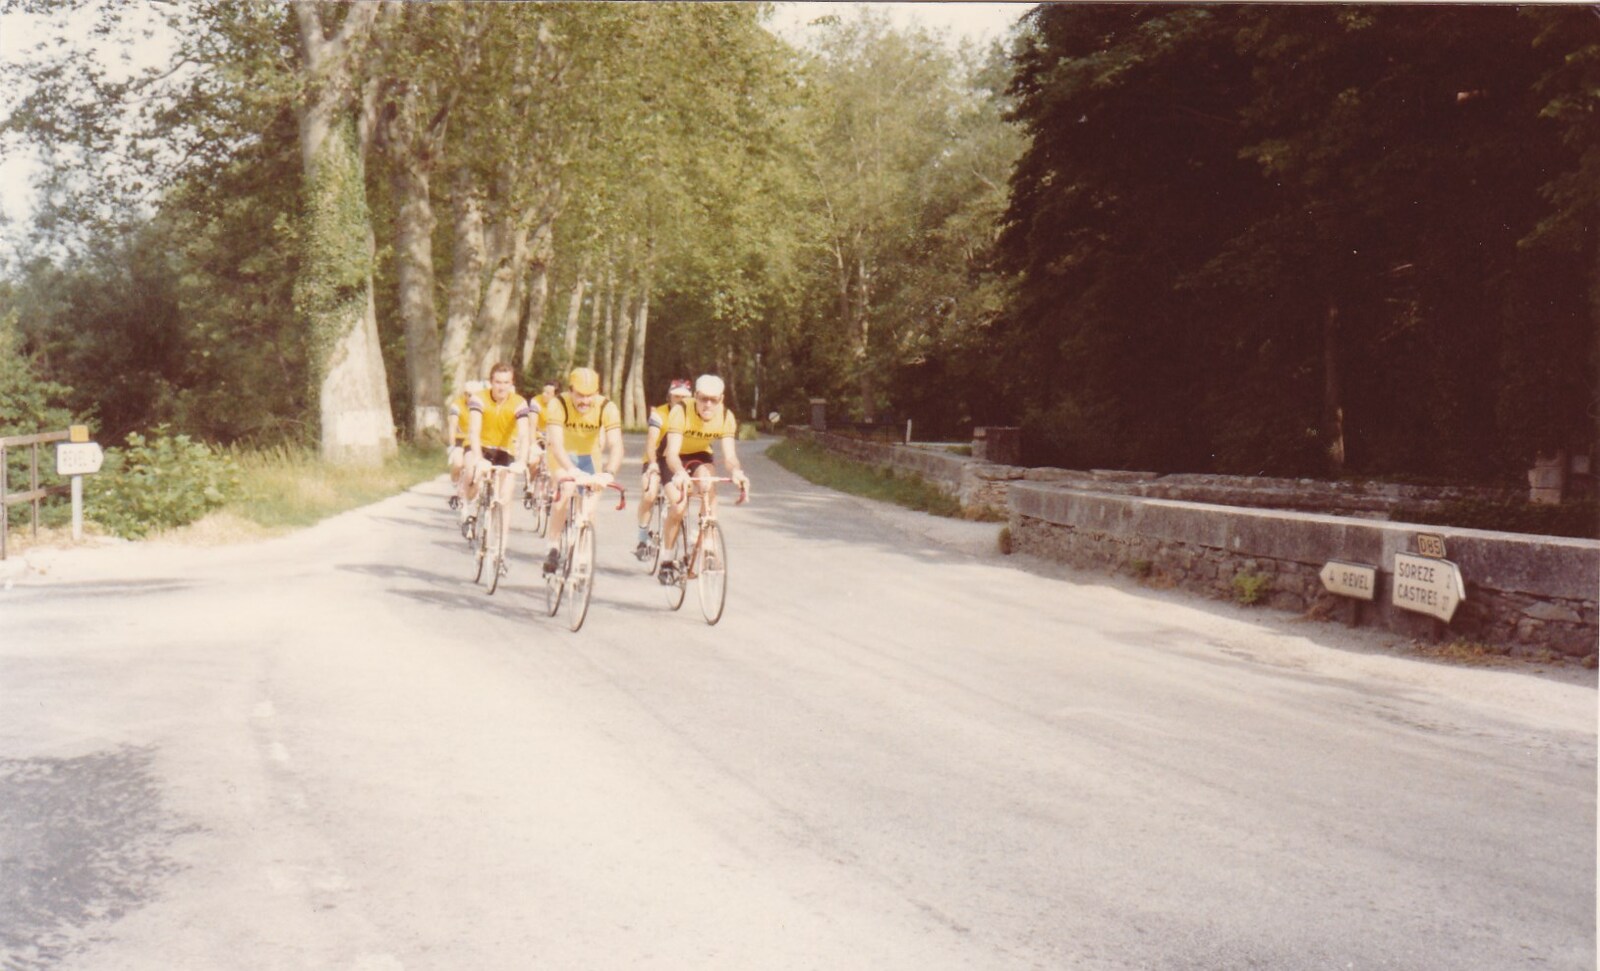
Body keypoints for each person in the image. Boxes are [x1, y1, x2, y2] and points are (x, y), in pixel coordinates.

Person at [658, 373, 750, 583]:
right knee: (679, 506)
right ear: (695, 396)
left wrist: (737, 472)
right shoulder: (681, 410)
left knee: (708, 484)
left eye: (714, 400)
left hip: (700, 454)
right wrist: (680, 472)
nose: (708, 404)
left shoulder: (726, 416)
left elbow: (730, 457)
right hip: (673, 456)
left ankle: (705, 543)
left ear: (721, 399)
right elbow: (672, 453)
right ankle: (667, 559)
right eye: (703, 399)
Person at [542, 366, 625, 575]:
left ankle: (582, 551)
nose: (585, 401)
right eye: (580, 395)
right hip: (562, 456)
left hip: (589, 457)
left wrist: (609, 472)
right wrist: (571, 470)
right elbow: (556, 445)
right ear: (570, 390)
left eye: (590, 395)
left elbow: (616, 444)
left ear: (597, 392)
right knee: (566, 489)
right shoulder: (558, 404)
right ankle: (553, 547)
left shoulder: (607, 407)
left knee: (589, 507)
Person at [464, 363, 539, 532]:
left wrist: (522, 460)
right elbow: (474, 431)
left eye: (506, 382)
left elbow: (523, 434)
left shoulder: (519, 402)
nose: (502, 387)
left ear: (511, 383)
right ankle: (470, 508)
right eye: (498, 382)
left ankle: (499, 545)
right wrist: (478, 459)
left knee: (505, 495)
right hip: (480, 446)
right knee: (471, 473)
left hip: (504, 450)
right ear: (491, 382)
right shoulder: (478, 398)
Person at [634, 378, 694, 558]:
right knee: (650, 493)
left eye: (684, 398)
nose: (680, 401)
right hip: (656, 457)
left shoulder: (692, 414)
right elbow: (651, 441)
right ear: (669, 397)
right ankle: (642, 537)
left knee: (680, 498)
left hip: (677, 460)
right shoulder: (659, 414)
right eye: (676, 397)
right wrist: (652, 464)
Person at [447, 379, 488, 515]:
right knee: (458, 463)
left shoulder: (482, 405)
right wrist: (452, 445)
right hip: (460, 439)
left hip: (475, 441)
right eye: (467, 394)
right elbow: (453, 425)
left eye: (473, 395)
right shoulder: (457, 405)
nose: (470, 398)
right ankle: (455, 483)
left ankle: (474, 492)